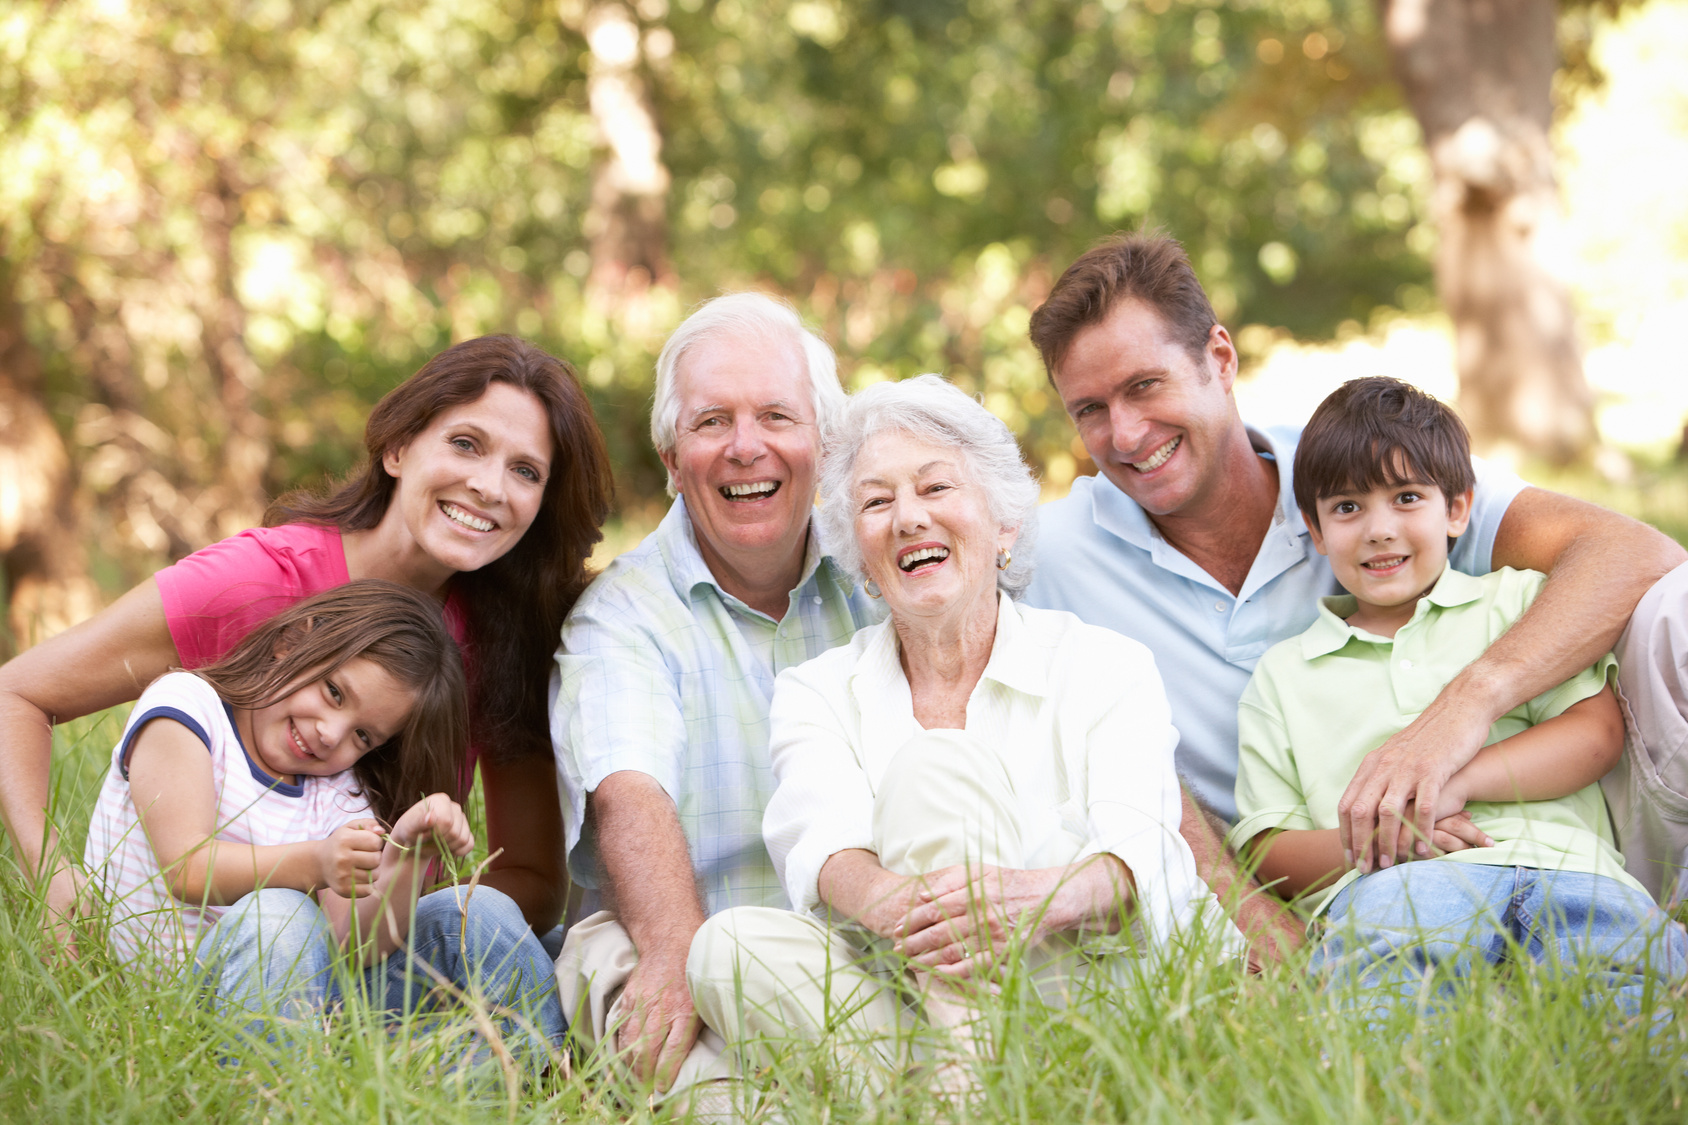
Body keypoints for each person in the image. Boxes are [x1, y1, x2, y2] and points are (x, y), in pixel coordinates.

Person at [1022, 232, 1688, 944]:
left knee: (1677, 611)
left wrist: (1460, 713)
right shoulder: (1048, 555)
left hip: (1559, 839)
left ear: (1219, 359)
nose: (1124, 433)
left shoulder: (1362, 468)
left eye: (1144, 386)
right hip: (1355, 893)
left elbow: (1631, 552)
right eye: (1089, 409)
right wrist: (1257, 925)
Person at [686, 375, 1244, 1095]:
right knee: (726, 947)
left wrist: (1034, 897)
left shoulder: (1107, 664)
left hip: (1089, 990)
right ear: (860, 555)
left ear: (1004, 524)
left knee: (933, 770)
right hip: (912, 993)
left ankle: (948, 1095)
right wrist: (896, 903)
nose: (908, 517)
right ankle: (973, 1087)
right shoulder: (816, 690)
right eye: (877, 501)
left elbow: (1142, 851)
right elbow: (820, 841)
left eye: (935, 488)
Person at [0, 335, 613, 955]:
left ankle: (515, 1053)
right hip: (236, 946)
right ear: (399, 448)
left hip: (372, 950)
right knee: (278, 925)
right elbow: (17, 694)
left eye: (525, 471)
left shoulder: (507, 635)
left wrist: (408, 915)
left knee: (529, 938)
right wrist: (51, 875)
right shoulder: (258, 583)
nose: (489, 486)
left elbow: (531, 881)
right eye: (465, 444)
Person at [1228, 378, 1687, 1017]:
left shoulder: (1516, 604)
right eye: (1348, 508)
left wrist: (1453, 783)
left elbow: (1596, 737)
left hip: (1571, 869)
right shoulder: (1283, 676)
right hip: (1393, 890)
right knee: (1384, 1020)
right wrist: (1393, 832)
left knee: (1644, 1015)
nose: (1379, 529)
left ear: (1458, 509)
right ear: (1315, 527)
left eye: (1407, 497)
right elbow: (1267, 849)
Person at [551, 293, 879, 1097]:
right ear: (670, 457)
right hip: (679, 950)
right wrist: (673, 952)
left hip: (853, 954)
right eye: (710, 422)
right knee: (717, 1093)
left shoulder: (881, 574)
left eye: (776, 415)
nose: (745, 447)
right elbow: (631, 789)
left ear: (826, 444)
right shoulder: (623, 613)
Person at [85, 580, 562, 1056]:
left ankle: (536, 1069)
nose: (331, 735)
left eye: (363, 735)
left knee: (478, 910)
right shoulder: (188, 708)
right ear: (292, 641)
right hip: (174, 1008)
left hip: (306, 1013)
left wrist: (408, 857)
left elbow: (353, 946)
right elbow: (186, 868)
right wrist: (316, 862)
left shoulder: (342, 789)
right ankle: (274, 1098)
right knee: (279, 913)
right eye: (334, 693)